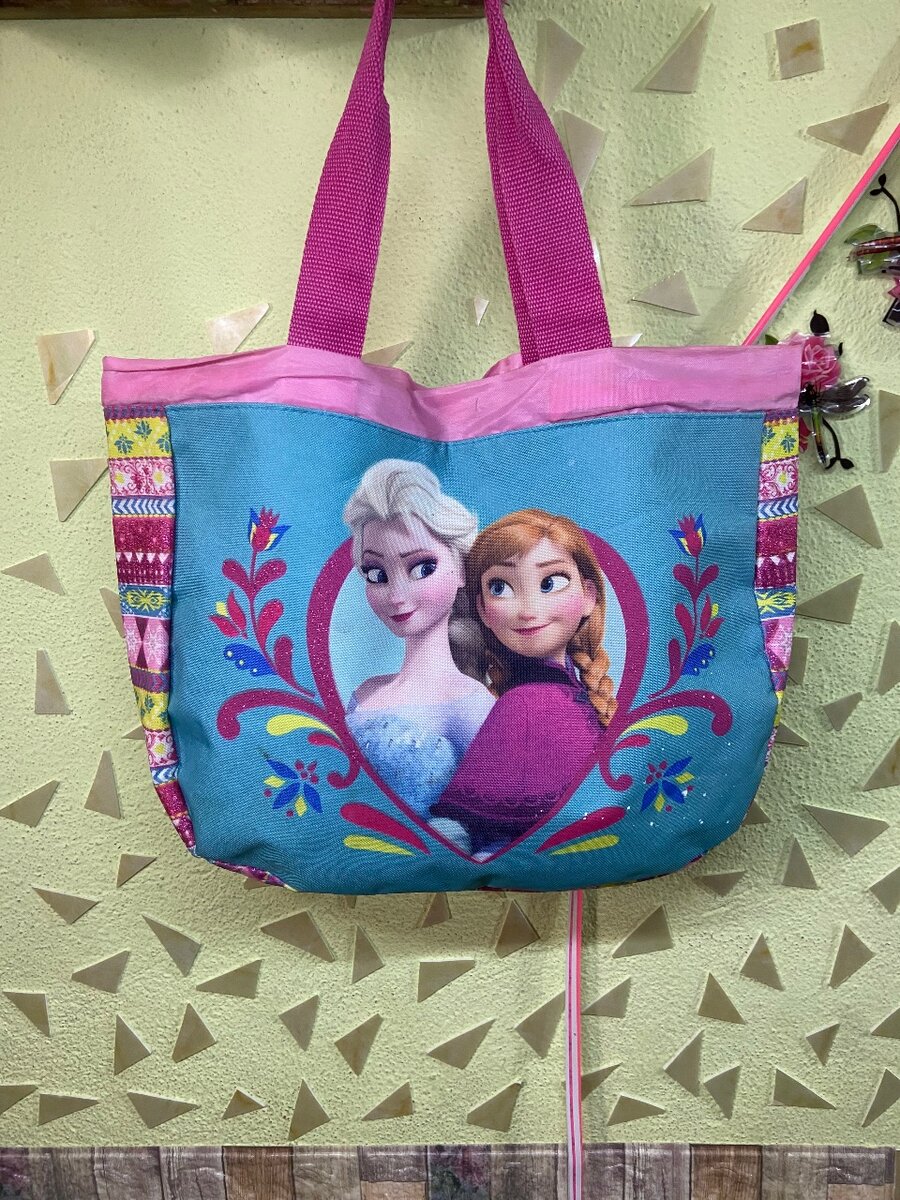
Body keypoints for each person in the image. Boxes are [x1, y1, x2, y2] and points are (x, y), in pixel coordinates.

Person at [429, 509, 618, 859]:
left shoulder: (580, 697)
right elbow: (455, 829)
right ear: (483, 609)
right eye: (500, 587)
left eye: (550, 582)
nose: (528, 610)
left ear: (589, 595)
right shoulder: (523, 705)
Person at [341, 460, 494, 843]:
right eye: (377, 574)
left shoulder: (472, 706)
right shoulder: (364, 693)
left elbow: (496, 831)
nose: (396, 595)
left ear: (461, 569)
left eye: (423, 567)